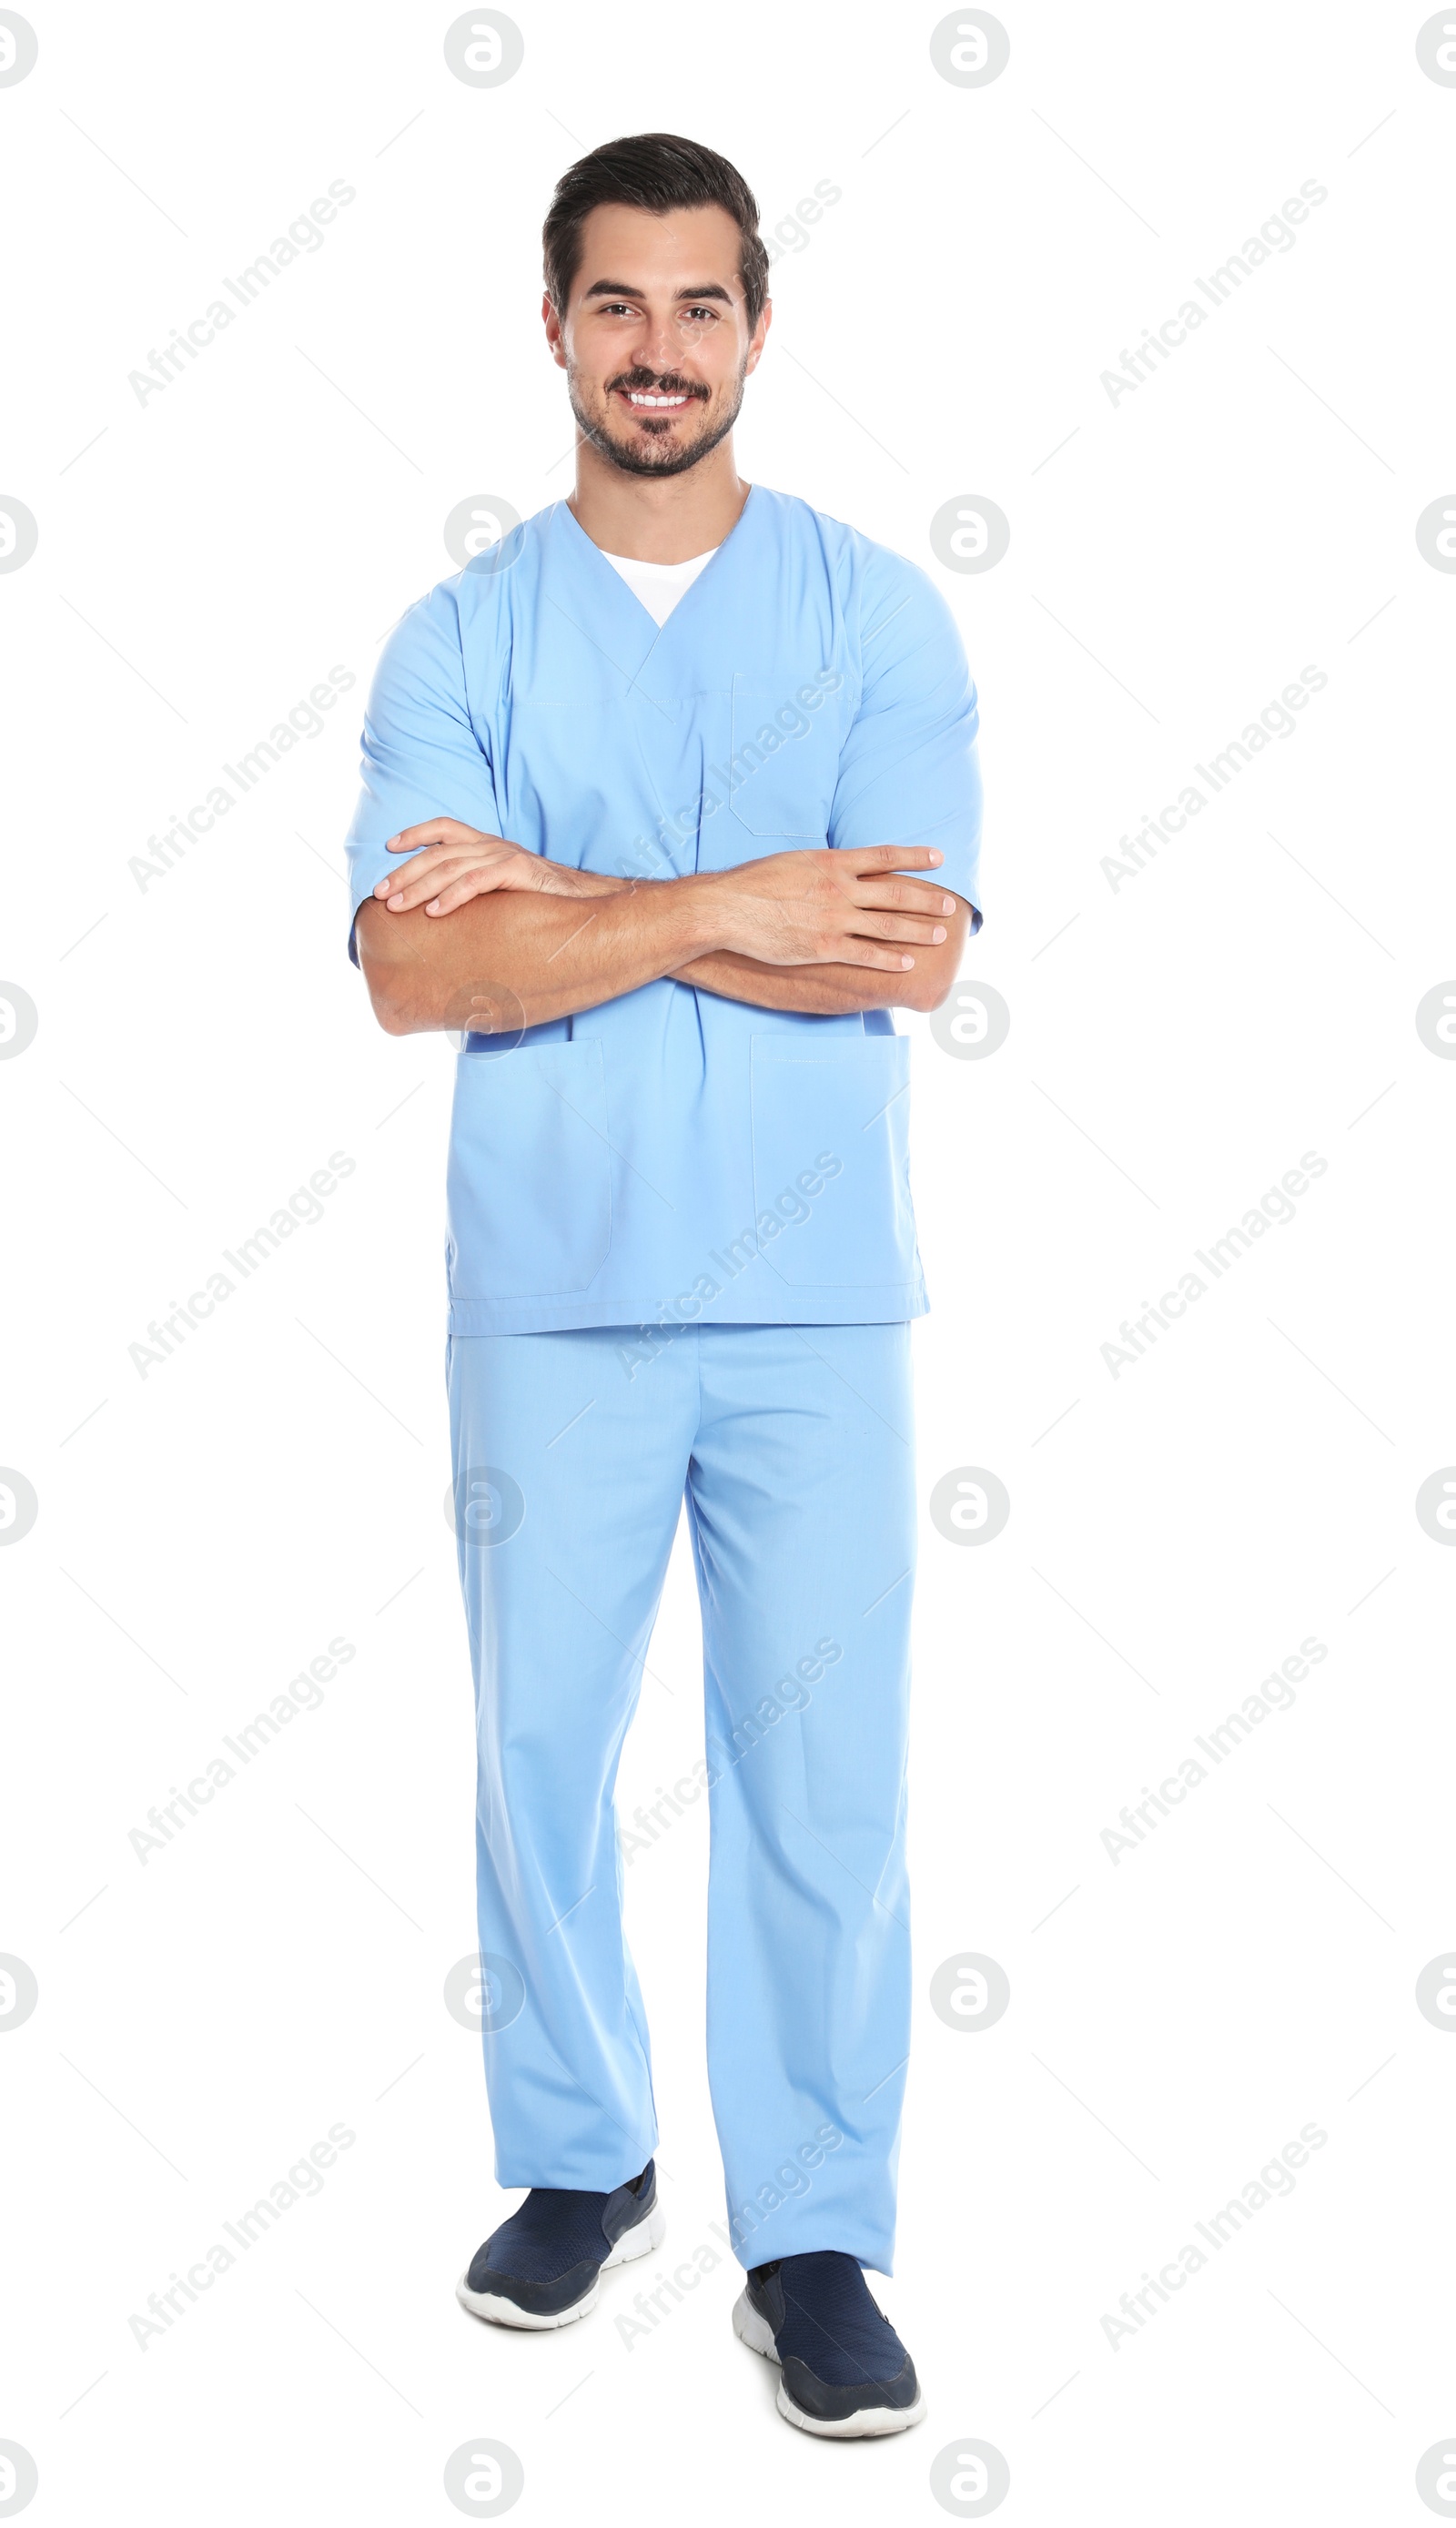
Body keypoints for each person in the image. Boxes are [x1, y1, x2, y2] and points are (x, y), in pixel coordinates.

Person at [344, 131, 982, 2440]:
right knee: (538, 1755)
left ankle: (811, 2231)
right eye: (614, 305)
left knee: (820, 1774)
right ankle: (578, 2160)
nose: (655, 350)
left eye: (696, 306)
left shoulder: (874, 615)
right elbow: (417, 984)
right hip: (547, 1292)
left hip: (816, 1302)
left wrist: (572, 902)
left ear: (756, 326)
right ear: (551, 325)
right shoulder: (461, 638)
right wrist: (739, 899)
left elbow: (890, 955)